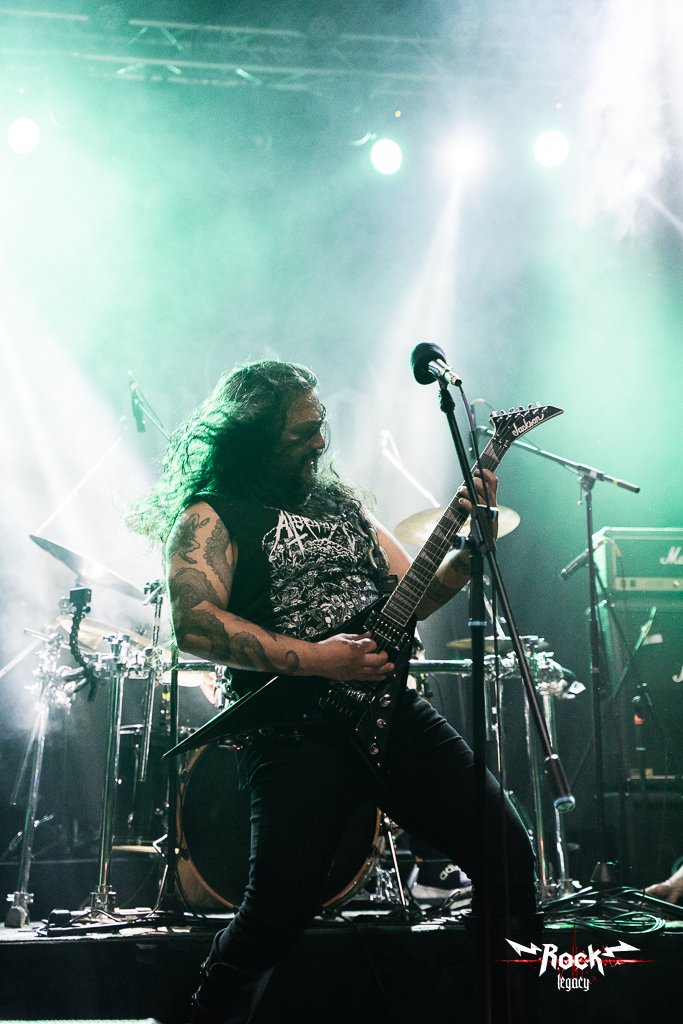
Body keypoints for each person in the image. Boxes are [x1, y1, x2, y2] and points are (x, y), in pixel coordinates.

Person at [128, 359, 539, 1023]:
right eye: (301, 432)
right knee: (276, 915)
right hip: (294, 729)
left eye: (321, 426)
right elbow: (196, 624)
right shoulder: (211, 516)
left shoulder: (343, 507)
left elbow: (413, 595)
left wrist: (469, 552)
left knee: (507, 856)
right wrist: (322, 659)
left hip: (392, 713)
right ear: (254, 438)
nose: (319, 442)